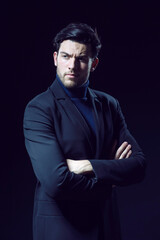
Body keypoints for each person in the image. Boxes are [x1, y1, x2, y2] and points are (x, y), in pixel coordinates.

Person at [23, 23, 146, 240]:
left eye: (80, 58)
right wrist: (110, 176)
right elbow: (57, 182)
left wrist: (86, 166)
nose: (72, 65)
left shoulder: (109, 104)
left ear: (94, 63)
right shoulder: (39, 108)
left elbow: (138, 165)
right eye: (65, 56)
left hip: (107, 228)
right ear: (55, 58)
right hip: (63, 230)